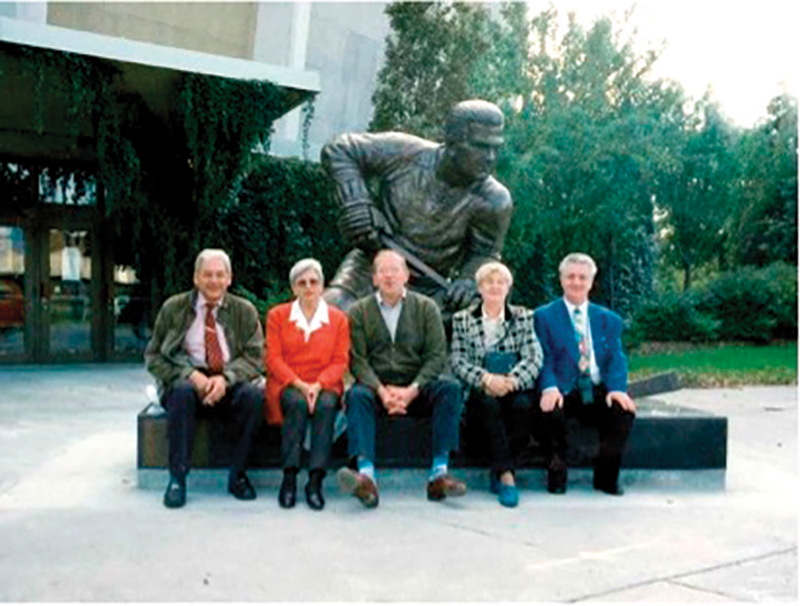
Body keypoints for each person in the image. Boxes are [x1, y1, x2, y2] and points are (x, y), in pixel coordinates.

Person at [320, 99, 512, 317]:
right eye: (480, 146)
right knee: (330, 314)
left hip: (429, 287)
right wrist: (356, 203)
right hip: (371, 266)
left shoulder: (495, 200)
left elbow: (485, 253)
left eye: (495, 148)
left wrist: (469, 280)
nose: (490, 157)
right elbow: (339, 149)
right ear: (452, 141)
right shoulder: (404, 153)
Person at [337, 249, 465, 507]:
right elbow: (358, 360)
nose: (389, 276)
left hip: (417, 386)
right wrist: (382, 392)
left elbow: (436, 355)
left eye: (395, 269)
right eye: (382, 270)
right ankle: (366, 477)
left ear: (406, 275)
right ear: (374, 278)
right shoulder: (360, 311)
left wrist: (412, 390)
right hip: (377, 387)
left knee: (450, 390)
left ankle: (439, 473)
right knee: (356, 395)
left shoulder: (426, 308)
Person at [145, 249, 264, 508]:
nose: (214, 281)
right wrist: (190, 374)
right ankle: (177, 479)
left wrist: (226, 379)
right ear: (196, 278)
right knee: (181, 393)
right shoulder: (174, 308)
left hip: (228, 378)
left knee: (253, 398)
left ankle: (238, 475)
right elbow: (153, 356)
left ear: (229, 278)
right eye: (207, 275)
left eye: (220, 275)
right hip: (186, 378)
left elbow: (256, 358)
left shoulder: (244, 311)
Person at [533, 253, 637, 496]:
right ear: (562, 280)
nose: (576, 282)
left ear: (591, 281)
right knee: (549, 412)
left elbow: (616, 358)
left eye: (582, 277)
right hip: (563, 388)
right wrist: (549, 387)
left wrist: (617, 389)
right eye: (571, 276)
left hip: (597, 387)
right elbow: (543, 357)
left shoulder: (608, 319)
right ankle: (556, 473)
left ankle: (606, 478)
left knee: (622, 412)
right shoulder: (544, 316)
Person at [450, 261, 543, 507]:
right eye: (489, 282)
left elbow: (534, 357)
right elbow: (458, 361)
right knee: (488, 405)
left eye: (500, 282)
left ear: (508, 288)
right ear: (479, 288)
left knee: (523, 405)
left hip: (513, 385)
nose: (494, 287)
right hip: (480, 390)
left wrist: (512, 381)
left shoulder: (523, 316)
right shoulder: (462, 319)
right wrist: (486, 379)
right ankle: (507, 476)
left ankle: (500, 468)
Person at [265, 259, 350, 511]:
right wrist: (301, 385)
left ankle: (315, 481)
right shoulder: (277, 316)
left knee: (326, 406)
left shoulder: (338, 320)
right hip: (288, 382)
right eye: (302, 283)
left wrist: (318, 385)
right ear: (293, 288)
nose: (308, 287)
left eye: (313, 282)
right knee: (296, 404)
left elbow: (340, 360)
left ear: (322, 286)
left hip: (326, 384)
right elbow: (273, 358)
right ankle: (289, 478)